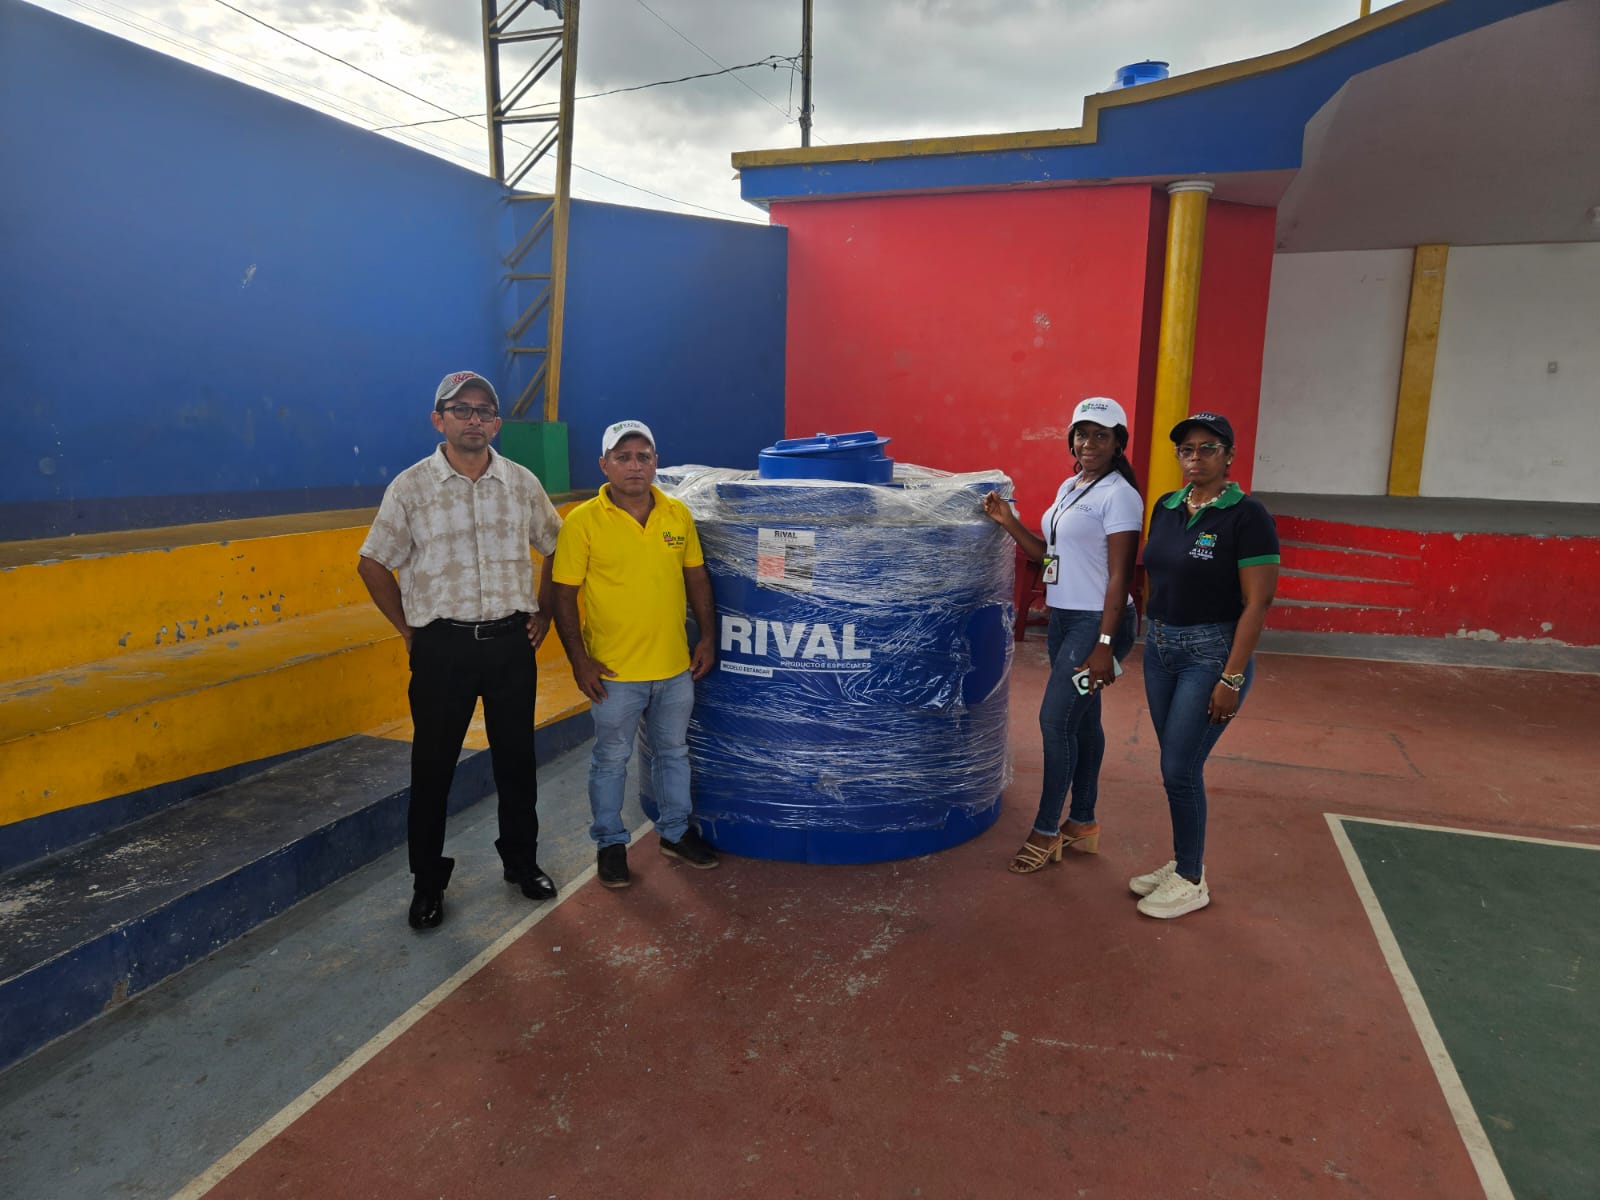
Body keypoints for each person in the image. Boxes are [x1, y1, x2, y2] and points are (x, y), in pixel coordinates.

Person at [357, 370, 564, 931]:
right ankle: (428, 883)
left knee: (517, 762)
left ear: (496, 423)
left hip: (510, 646)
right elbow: (372, 562)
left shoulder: (521, 483)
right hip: (441, 648)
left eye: (484, 411)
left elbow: (557, 546)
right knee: (432, 770)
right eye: (461, 409)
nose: (474, 419)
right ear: (439, 420)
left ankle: (521, 862)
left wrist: (543, 611)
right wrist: (409, 630)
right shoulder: (411, 487)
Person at [551, 420, 719, 889]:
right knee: (610, 760)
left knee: (673, 753)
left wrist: (707, 637)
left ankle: (674, 833)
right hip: (614, 672)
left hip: (674, 667)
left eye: (643, 456)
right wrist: (579, 660)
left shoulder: (676, 514)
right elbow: (563, 594)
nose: (634, 465)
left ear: (655, 463)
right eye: (622, 457)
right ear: (603, 465)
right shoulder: (582, 521)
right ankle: (610, 843)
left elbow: (696, 577)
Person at [983, 397, 1142, 874]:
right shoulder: (1070, 486)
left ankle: (1047, 828)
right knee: (1083, 721)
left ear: (1118, 443)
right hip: (1065, 621)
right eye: (1081, 433)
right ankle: (1083, 821)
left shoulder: (1120, 496)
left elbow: (1120, 577)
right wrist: (1008, 521)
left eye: (1100, 435)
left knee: (1055, 722)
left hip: (1098, 625)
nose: (1088, 442)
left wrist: (1105, 645)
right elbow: (1050, 557)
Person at [1134, 411, 1279, 919]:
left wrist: (1231, 677)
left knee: (1180, 767)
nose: (1195, 457)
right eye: (1187, 449)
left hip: (1211, 652)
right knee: (1175, 764)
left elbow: (1258, 603)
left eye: (1208, 448)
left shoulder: (1248, 516)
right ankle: (1182, 862)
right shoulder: (1167, 506)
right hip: (1160, 649)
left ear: (1229, 455)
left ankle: (1192, 879)